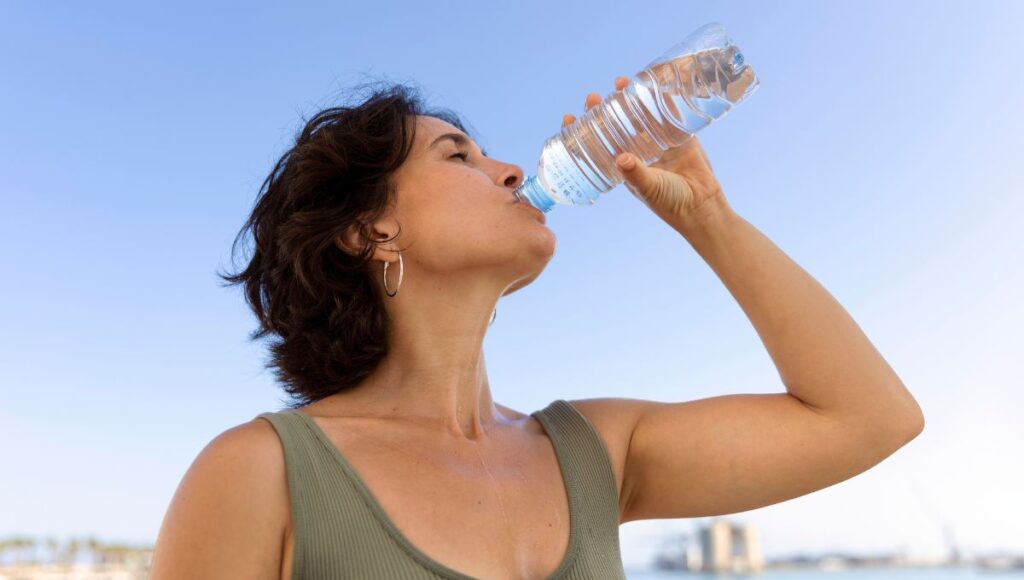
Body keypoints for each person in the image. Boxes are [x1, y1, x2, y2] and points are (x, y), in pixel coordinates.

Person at [149, 77, 924, 579]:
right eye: (460, 157)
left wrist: (710, 218)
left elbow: (871, 419)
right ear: (370, 231)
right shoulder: (259, 475)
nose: (512, 171)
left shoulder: (593, 452)